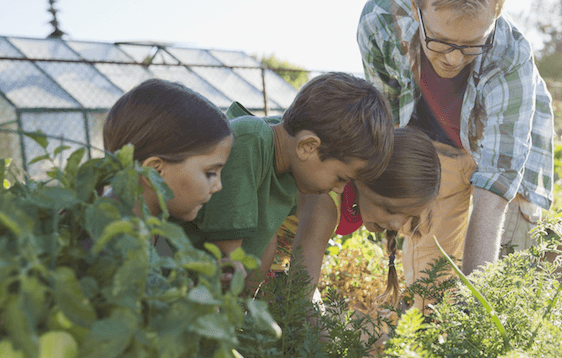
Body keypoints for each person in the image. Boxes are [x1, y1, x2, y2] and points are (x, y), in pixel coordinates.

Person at [357, 0, 555, 309]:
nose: (452, 58)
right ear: (418, 7)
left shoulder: (511, 54)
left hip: (504, 156)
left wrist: (477, 302)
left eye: (470, 45)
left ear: (495, 12)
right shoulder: (381, 19)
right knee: (429, 291)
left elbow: (497, 179)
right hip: (435, 150)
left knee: (507, 281)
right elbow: (386, 116)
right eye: (440, 41)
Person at [178, 72, 394, 284]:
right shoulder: (251, 141)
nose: (338, 189)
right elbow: (229, 251)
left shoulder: (289, 170)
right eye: (340, 178)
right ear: (307, 147)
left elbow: (262, 244)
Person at [278, 127, 441, 309]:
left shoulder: (350, 200)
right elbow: (299, 294)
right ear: (364, 180)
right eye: (389, 209)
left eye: (408, 215)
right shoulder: (325, 204)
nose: (396, 224)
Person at [103, 78, 233, 223]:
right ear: (155, 172)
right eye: (210, 173)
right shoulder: (114, 242)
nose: (218, 186)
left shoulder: (149, 228)